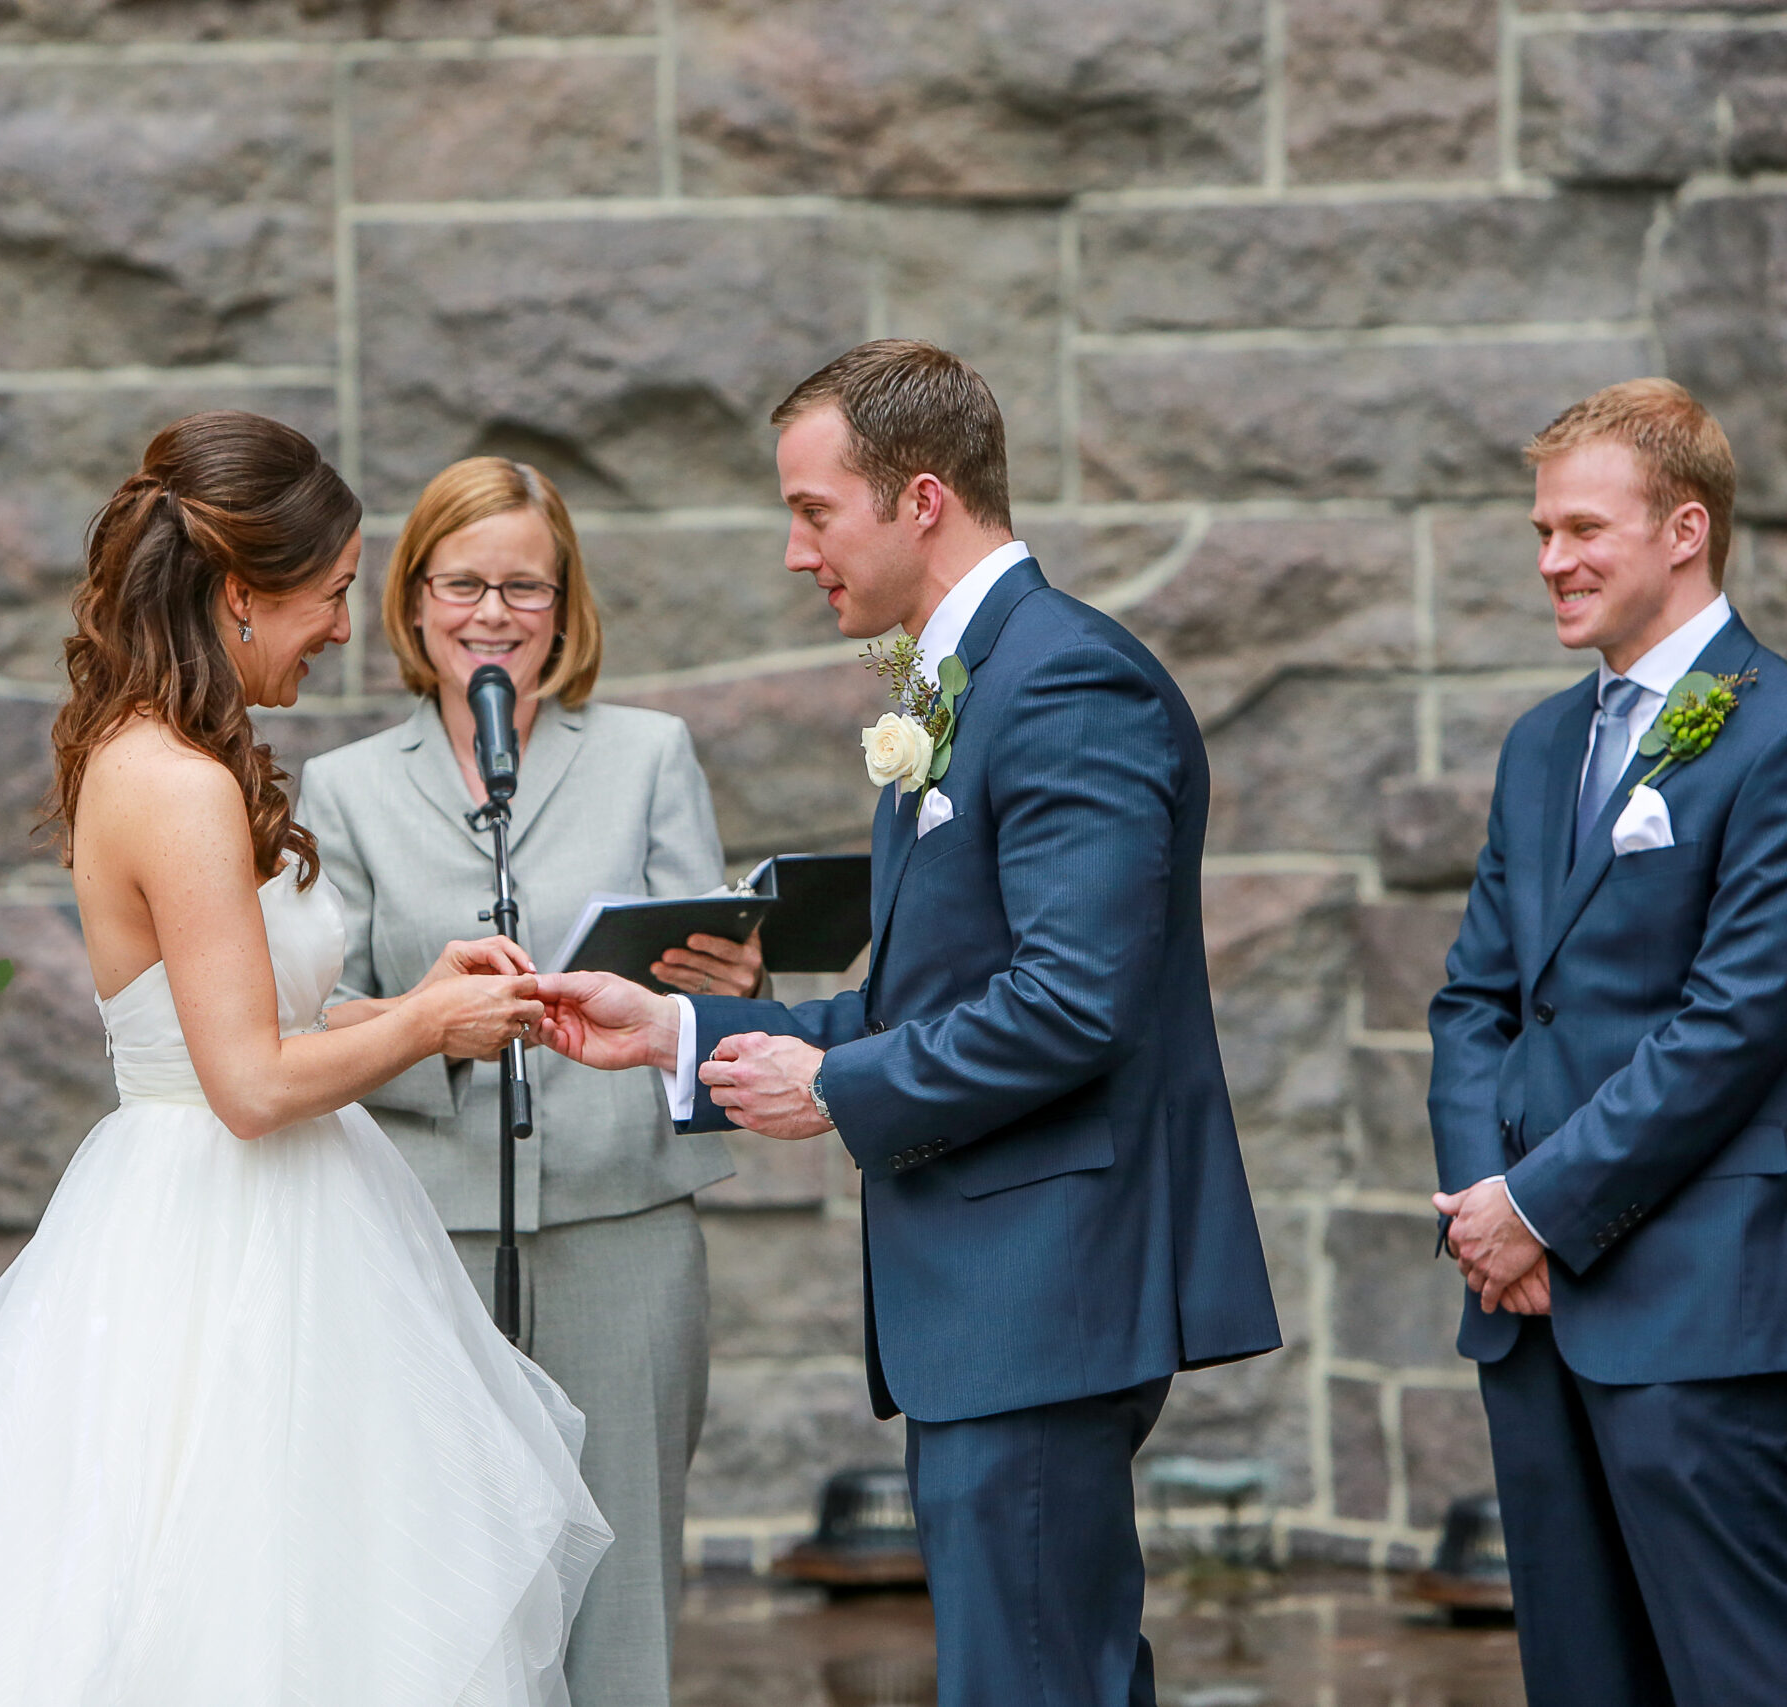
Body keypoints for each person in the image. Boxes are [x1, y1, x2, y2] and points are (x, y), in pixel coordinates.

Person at [0, 412, 608, 1705]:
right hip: (223, 1239)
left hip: (282, 1216)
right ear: (237, 593)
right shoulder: (176, 780)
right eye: (328, 594)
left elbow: (251, 1024)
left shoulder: (169, 751)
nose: (342, 626)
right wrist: (428, 1029)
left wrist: (410, 994)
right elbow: (251, 1084)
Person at [538, 340, 1282, 1707]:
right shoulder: (963, 680)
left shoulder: (1064, 680)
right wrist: (674, 1037)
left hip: (1044, 1287)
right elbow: (918, 1002)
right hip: (998, 1295)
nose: (790, 551)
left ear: (921, 500)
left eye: (814, 511)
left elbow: (1075, 1000)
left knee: (1037, 1676)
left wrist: (838, 1086)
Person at [1428, 379, 1787, 1706]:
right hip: (1524, 1298)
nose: (1553, 560)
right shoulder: (1539, 744)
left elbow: (1732, 1031)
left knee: (1754, 1671)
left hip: (1695, 1297)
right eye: (1540, 532)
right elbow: (1476, 1001)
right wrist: (1482, 1214)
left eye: (1583, 529)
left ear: (1687, 529)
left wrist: (1540, 1206)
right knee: (1582, 1675)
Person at [298, 456, 755, 1707]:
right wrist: (431, 1025)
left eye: (525, 586)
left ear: (567, 607)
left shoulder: (649, 755)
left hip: (622, 1220)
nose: (493, 613)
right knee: (436, 1568)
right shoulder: (342, 787)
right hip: (425, 1227)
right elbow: (312, 1014)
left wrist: (728, 981)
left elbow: (701, 1001)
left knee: (623, 1572)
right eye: (463, 582)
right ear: (412, 598)